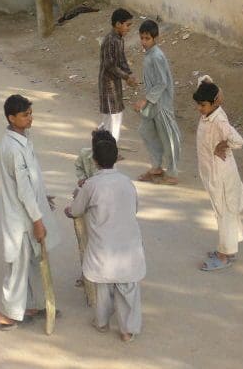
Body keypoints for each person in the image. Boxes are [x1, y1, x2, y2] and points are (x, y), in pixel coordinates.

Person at [65, 138, 145, 342]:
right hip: (128, 246)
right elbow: (135, 208)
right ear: (117, 157)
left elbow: (76, 210)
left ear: (94, 160)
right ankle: (127, 331)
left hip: (103, 248)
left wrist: (69, 209)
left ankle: (101, 322)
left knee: (104, 286)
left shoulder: (91, 185)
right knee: (128, 287)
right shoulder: (127, 182)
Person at [0, 94, 60, 330]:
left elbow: (31, 180)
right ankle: (6, 314)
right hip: (20, 219)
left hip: (29, 213)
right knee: (19, 265)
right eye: (25, 115)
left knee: (33, 260)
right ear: (11, 118)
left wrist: (43, 199)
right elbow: (23, 190)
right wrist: (38, 220)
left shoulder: (23, 139)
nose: (30, 118)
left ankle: (31, 305)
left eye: (30, 113)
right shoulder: (12, 148)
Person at [193, 76, 243, 271]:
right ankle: (226, 249)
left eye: (203, 105)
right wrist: (214, 91)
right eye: (198, 105)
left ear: (213, 103)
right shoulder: (210, 111)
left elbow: (238, 141)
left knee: (225, 213)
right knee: (221, 212)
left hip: (222, 175)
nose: (200, 109)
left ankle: (225, 255)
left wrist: (223, 144)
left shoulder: (220, 120)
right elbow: (204, 79)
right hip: (212, 173)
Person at [133, 19, 181, 185]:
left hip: (162, 103)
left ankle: (173, 172)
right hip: (152, 102)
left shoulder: (157, 56)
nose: (144, 42)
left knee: (168, 137)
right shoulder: (149, 55)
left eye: (147, 38)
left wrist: (144, 100)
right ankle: (156, 167)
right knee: (146, 131)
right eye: (142, 38)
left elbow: (162, 83)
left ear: (155, 38)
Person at [72, 129, 116, 288]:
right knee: (86, 240)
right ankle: (85, 274)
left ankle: (106, 274)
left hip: (102, 205)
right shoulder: (85, 154)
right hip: (88, 201)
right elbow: (78, 167)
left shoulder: (109, 160)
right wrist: (82, 179)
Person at [98, 8, 138, 143]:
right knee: (112, 118)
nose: (129, 28)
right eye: (127, 25)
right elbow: (110, 65)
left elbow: (122, 61)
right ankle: (108, 149)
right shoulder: (110, 40)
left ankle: (104, 146)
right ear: (118, 24)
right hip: (108, 85)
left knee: (114, 117)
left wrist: (130, 74)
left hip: (115, 84)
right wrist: (126, 77)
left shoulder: (119, 39)